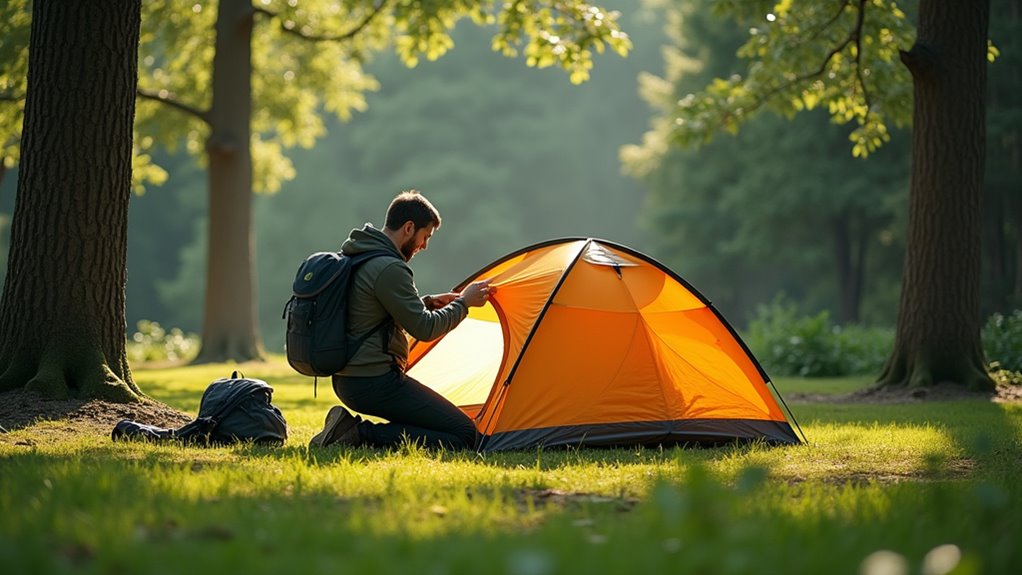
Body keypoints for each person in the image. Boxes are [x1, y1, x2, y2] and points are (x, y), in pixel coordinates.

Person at [309, 190, 492, 450]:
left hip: (349, 378)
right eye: (425, 236)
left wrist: (426, 302)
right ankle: (357, 433)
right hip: (374, 382)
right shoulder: (389, 267)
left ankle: (349, 429)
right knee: (464, 435)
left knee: (441, 425)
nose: (424, 246)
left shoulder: (360, 254)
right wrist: (464, 302)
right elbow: (425, 328)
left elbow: (371, 308)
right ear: (409, 228)